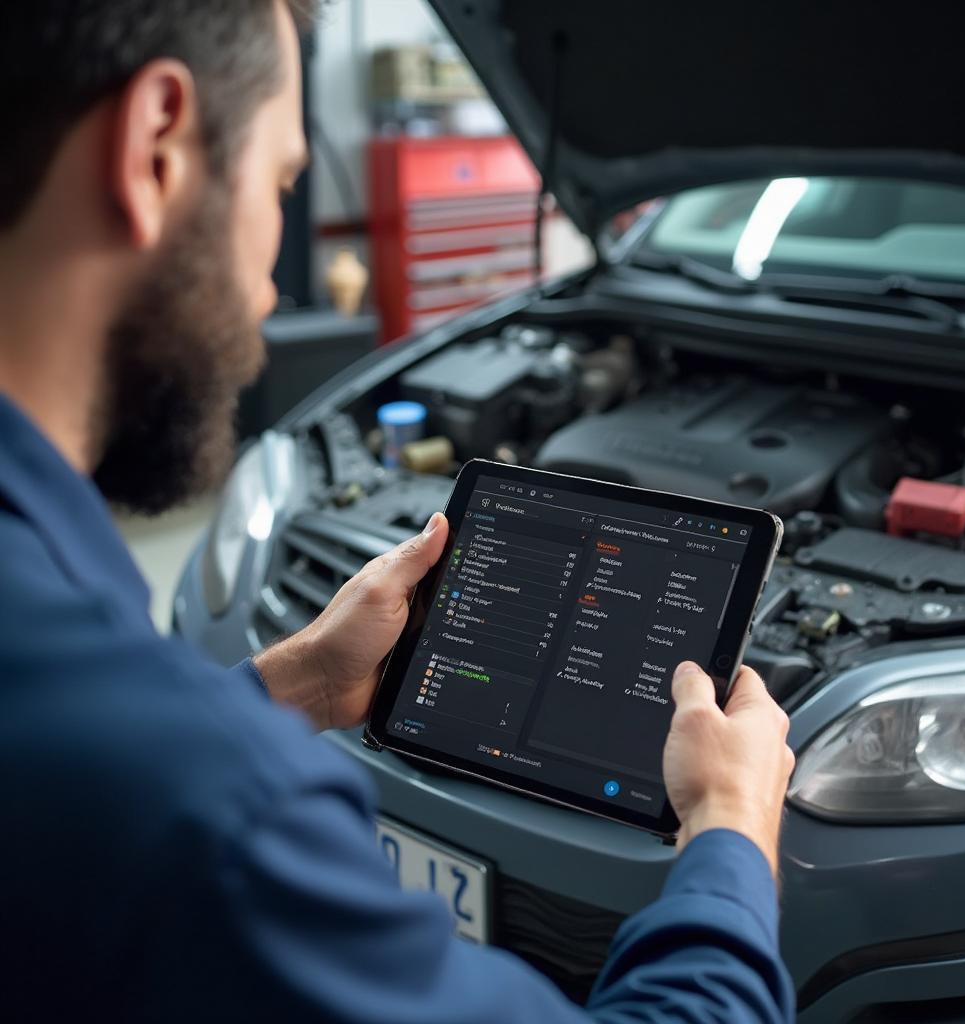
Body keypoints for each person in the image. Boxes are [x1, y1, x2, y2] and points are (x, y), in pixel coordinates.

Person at [0, 3, 796, 1021]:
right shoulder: (205, 810)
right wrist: (730, 827)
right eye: (285, 181)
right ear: (155, 145)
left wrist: (296, 681)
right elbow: (152, 789)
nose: (261, 288)